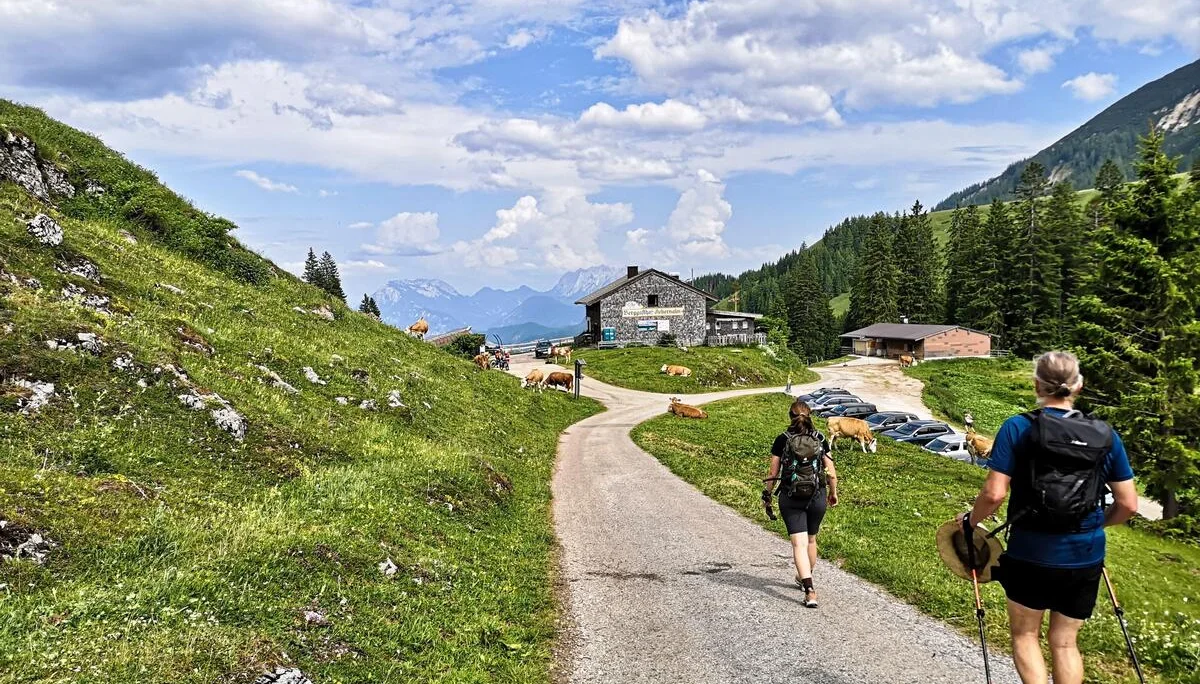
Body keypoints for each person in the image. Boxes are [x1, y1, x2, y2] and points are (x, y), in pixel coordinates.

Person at [959, 351, 1138, 684]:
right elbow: (1128, 504)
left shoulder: (1018, 427)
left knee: (1026, 635)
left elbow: (994, 494)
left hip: (1031, 551)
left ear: (1036, 385)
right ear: (1078, 387)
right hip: (1085, 554)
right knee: (1066, 642)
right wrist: (1094, 524)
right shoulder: (1105, 434)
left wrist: (970, 523)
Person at [764, 398, 839, 608]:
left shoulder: (782, 439)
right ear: (810, 416)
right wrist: (833, 493)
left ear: (790, 416)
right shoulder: (820, 438)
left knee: (799, 544)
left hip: (791, 496)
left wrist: (767, 495)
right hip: (816, 496)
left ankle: (810, 590)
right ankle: (804, 576)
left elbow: (773, 473)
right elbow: (831, 472)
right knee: (811, 540)